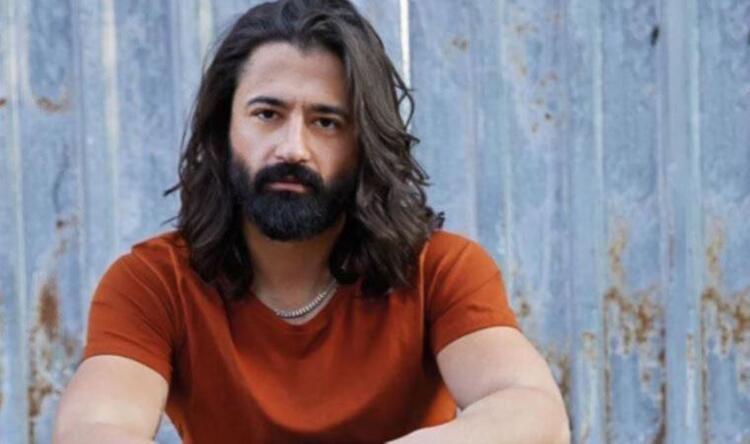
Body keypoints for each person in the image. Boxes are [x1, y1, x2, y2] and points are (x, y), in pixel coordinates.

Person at [54, 0, 570, 442]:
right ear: (223, 130)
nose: (293, 148)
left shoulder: (439, 269)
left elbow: (533, 412)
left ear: (364, 142)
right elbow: (94, 428)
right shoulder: (154, 282)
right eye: (267, 114)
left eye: (326, 121)